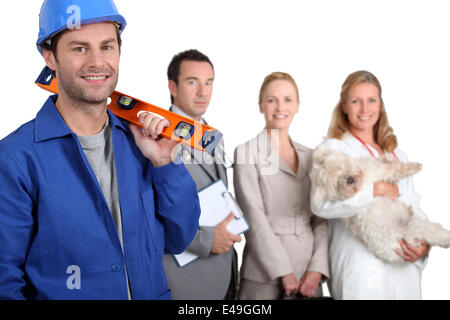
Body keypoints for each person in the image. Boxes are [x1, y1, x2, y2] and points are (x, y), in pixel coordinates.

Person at [0, 0, 200, 300]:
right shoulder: (15, 159)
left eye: (107, 47)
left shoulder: (142, 144)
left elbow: (179, 239)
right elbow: (4, 281)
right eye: (79, 49)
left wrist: (165, 164)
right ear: (50, 57)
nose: (97, 62)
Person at [310, 70, 430, 300]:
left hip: (404, 269)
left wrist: (424, 247)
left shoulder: (397, 154)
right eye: (356, 101)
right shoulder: (333, 150)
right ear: (344, 106)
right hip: (362, 271)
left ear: (381, 105)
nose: (365, 110)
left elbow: (413, 204)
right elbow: (321, 205)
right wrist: (375, 191)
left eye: (371, 100)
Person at [233, 72, 329, 300]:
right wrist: (284, 272)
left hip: (309, 274)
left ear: (297, 105)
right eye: (271, 100)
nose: (280, 107)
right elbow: (254, 218)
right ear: (260, 106)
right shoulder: (246, 153)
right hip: (264, 274)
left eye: (287, 99)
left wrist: (316, 270)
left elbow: (322, 219)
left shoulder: (314, 156)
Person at [162, 49, 242, 300]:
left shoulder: (215, 137)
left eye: (209, 83)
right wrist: (206, 240)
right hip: (186, 280)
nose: (203, 92)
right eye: (192, 82)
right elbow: (149, 213)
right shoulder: (154, 136)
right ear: (172, 87)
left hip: (225, 273)